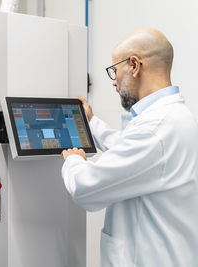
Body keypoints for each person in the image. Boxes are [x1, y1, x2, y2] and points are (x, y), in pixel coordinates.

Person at [61, 28, 198, 267]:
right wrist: (92, 123)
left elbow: (85, 189)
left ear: (134, 65)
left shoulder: (154, 128)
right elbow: (136, 155)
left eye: (115, 70)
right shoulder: (175, 116)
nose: (114, 81)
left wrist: (74, 160)